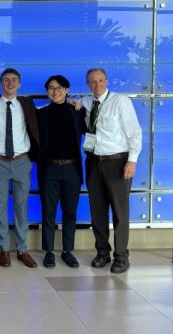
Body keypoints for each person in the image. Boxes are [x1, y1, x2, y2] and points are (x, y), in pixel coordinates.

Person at [83, 68, 142, 273]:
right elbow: (68, 102)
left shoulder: (120, 101)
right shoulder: (86, 102)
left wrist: (132, 161)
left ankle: (122, 256)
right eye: (92, 82)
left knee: (120, 212)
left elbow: (135, 133)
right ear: (87, 84)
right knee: (97, 212)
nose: (97, 85)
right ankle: (102, 252)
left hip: (117, 162)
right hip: (93, 163)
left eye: (100, 81)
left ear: (107, 81)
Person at [0, 68, 40, 268]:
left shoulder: (27, 104)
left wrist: (74, 102)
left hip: (22, 161)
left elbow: (45, 114)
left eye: (14, 80)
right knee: (0, 206)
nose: (10, 83)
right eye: (6, 80)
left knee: (21, 207)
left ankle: (22, 249)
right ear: (0, 84)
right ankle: (4, 249)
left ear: (19, 84)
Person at [37, 75, 85, 268]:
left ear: (66, 90)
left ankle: (68, 251)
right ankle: (48, 251)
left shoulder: (78, 112)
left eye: (58, 88)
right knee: (48, 211)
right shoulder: (41, 114)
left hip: (72, 168)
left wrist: (78, 104)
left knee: (70, 212)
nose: (54, 91)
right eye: (50, 88)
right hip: (49, 167)